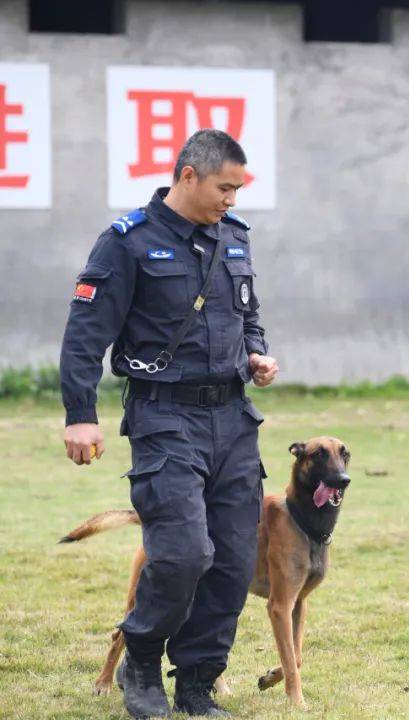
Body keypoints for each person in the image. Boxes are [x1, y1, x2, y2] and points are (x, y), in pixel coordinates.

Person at [60, 129, 279, 718]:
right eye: (224, 187)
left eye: (238, 188)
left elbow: (248, 312)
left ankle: (198, 682)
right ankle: (142, 658)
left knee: (233, 562)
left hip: (234, 419)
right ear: (188, 175)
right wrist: (82, 416)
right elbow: (85, 337)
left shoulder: (234, 240)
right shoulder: (127, 243)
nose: (232, 199)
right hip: (165, 417)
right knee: (184, 553)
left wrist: (257, 352)